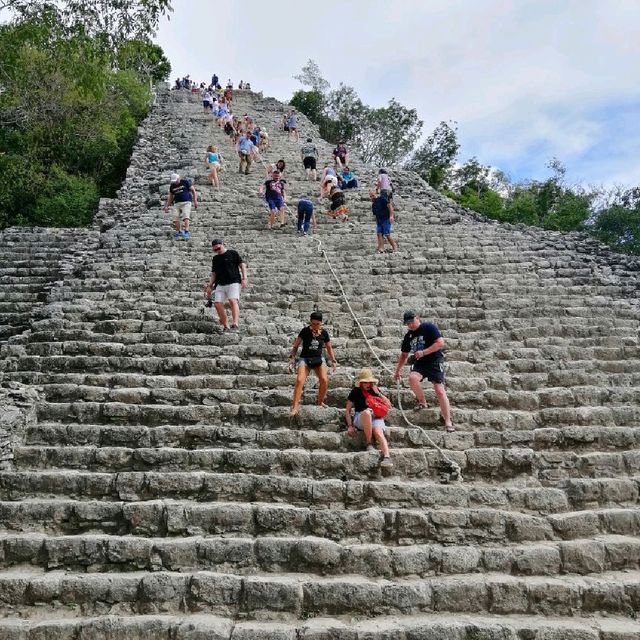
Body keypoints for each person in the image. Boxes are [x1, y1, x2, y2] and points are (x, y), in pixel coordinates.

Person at [394, 311, 454, 431]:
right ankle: (423, 402)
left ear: (417, 318)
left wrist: (424, 352)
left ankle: (448, 421)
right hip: (420, 363)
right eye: (407, 323)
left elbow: (440, 343)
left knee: (439, 390)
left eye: (411, 322)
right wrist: (397, 370)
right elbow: (404, 355)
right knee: (412, 378)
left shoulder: (428, 327)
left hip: (434, 361)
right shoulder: (408, 336)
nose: (410, 325)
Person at [288, 311, 337, 416]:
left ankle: (320, 401)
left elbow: (329, 347)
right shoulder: (304, 331)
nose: (315, 326)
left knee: (324, 380)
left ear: (321, 323)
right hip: (305, 358)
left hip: (318, 359)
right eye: (313, 323)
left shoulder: (324, 333)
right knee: (300, 380)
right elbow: (296, 346)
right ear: (310, 322)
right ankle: (295, 406)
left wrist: (333, 360)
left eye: (317, 324)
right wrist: (292, 357)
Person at [346, 368, 393, 468]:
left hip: (376, 416)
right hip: (361, 416)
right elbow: (348, 410)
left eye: (369, 382)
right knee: (367, 413)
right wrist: (350, 425)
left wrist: (379, 394)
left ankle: (387, 457)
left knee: (378, 431)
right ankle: (368, 442)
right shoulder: (355, 391)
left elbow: (389, 405)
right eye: (365, 382)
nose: (368, 384)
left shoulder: (375, 390)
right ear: (361, 382)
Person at [203, 239, 248, 331]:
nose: (217, 251)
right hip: (220, 283)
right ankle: (226, 325)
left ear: (223, 244)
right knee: (217, 303)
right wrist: (210, 285)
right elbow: (214, 273)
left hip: (233, 281)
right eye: (215, 250)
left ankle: (235, 324)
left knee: (232, 300)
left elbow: (242, 265)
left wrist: (244, 278)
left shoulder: (233, 253)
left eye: (218, 248)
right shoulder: (215, 259)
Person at [164, 172, 198, 239]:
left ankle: (186, 231)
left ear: (179, 178)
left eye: (176, 180)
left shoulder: (185, 182)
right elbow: (170, 197)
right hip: (177, 203)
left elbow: (193, 191)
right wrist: (166, 206)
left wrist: (195, 201)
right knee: (175, 216)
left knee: (185, 215)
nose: (175, 182)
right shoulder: (172, 186)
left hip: (186, 202)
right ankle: (179, 231)